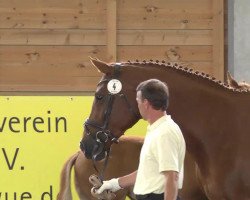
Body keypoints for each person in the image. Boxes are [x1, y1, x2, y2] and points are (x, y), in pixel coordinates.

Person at [96, 79, 186, 200]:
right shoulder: (158, 130)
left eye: (138, 101)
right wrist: (115, 184)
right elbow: (147, 172)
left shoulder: (165, 133)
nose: (137, 106)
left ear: (146, 103)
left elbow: (172, 176)